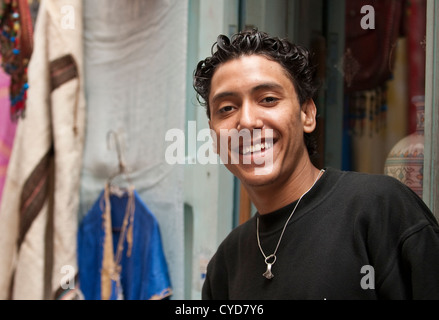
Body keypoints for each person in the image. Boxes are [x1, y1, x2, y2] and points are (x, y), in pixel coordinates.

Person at [193, 28, 439, 300]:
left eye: (268, 99)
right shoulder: (225, 265)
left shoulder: (379, 209)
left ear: (307, 114)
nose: (247, 122)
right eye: (227, 108)